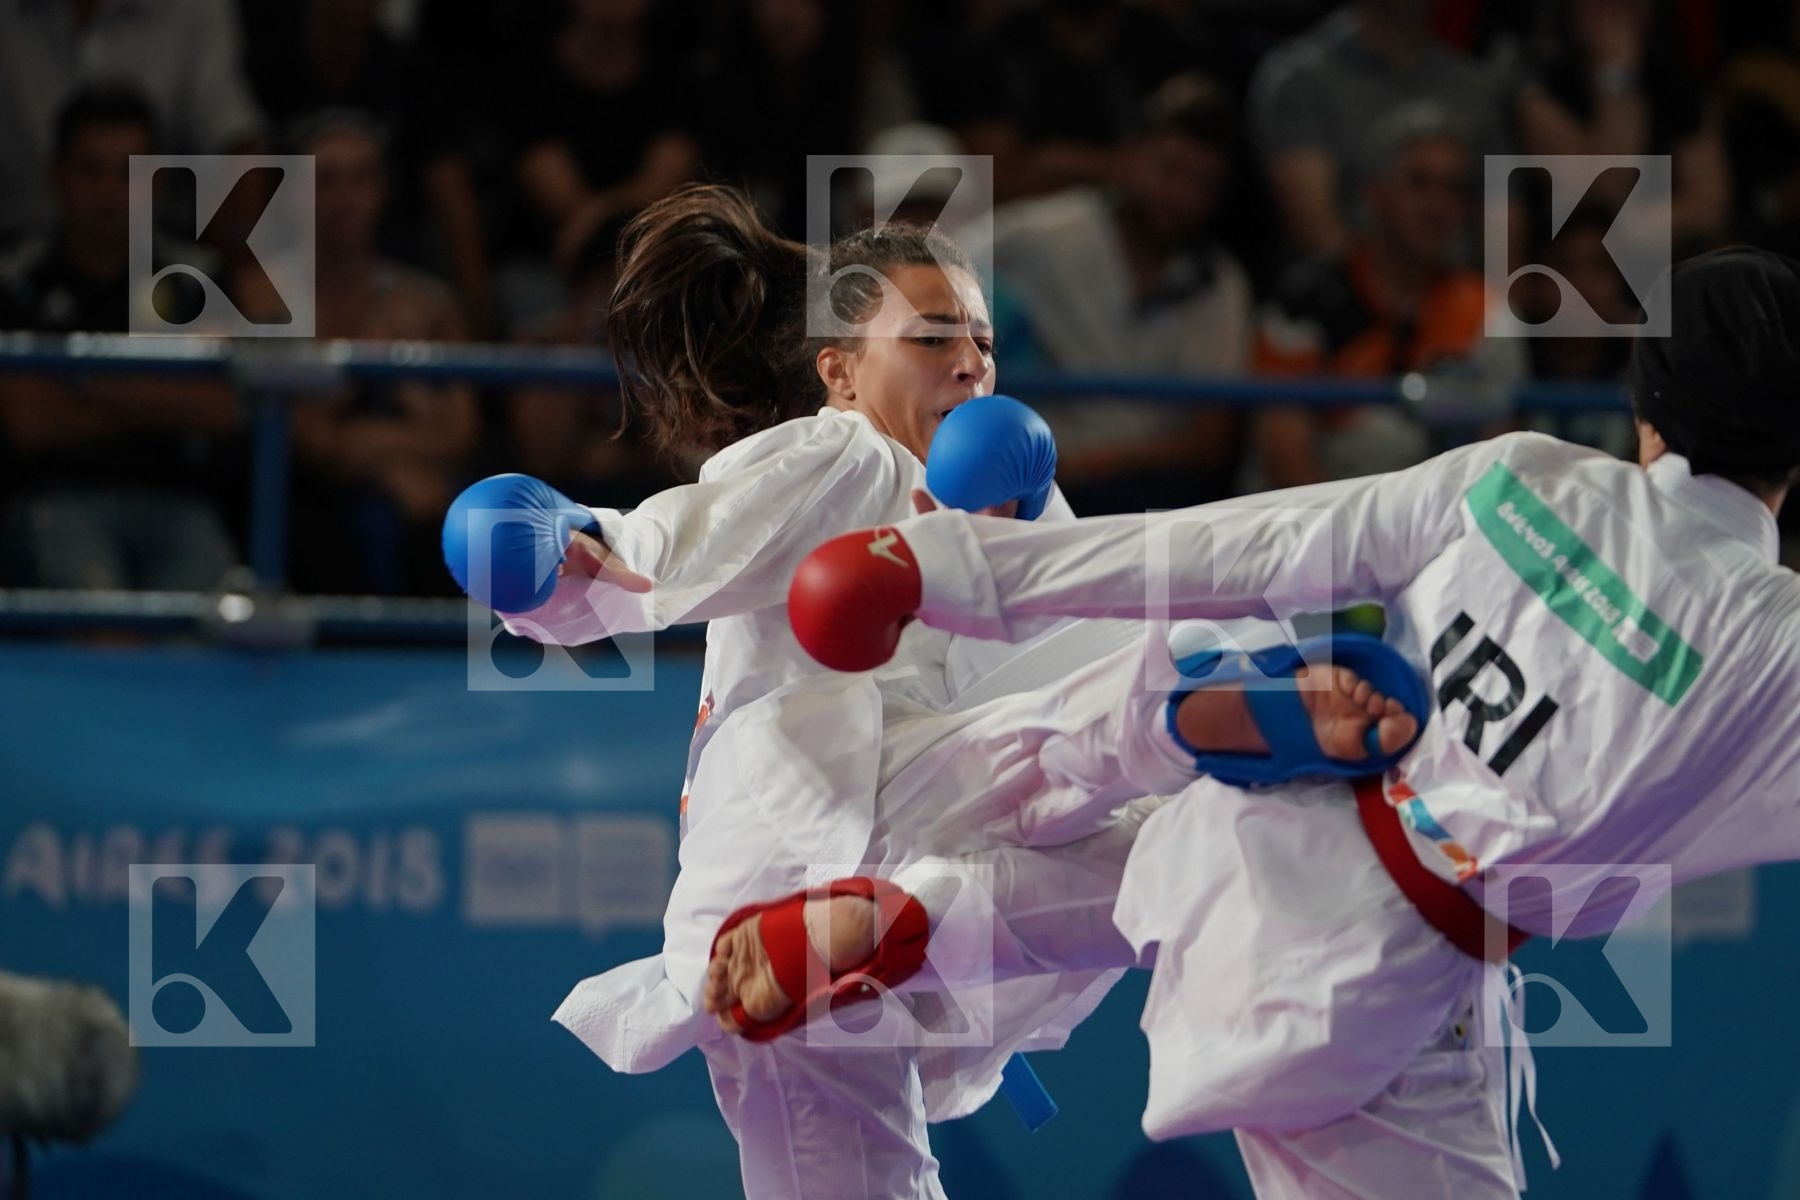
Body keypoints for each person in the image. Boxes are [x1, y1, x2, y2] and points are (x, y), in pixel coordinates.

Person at [445, 183, 1419, 1199]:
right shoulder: (840, 451)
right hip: (806, 836)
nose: (969, 361)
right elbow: (672, 545)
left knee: (1172, 840)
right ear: (841, 371)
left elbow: (1108, 610)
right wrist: (566, 552)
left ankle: (1207, 721)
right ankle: (1187, 717)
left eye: (984, 344)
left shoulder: (1014, 493)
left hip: (861, 932)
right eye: (933, 338)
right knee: (1113, 782)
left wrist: (1233, 644)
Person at [765, 245, 1800, 1197]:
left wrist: (945, 567)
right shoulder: (1772, 640)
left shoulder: (1521, 475)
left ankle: (940, 910)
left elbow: (1243, 548)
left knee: (1176, 792)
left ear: (1645, 398)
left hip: (1252, 843)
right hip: (1370, 994)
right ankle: (950, 904)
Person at [0, 85, 242, 591]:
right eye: (92, 170)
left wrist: (77, 377)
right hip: (56, 501)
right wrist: (157, 389)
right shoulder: (16, 282)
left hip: (181, 504)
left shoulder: (197, 278)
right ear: (57, 175)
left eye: (130, 171)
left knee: (209, 620)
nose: (111, 191)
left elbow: (219, 407)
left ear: (158, 182)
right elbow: (27, 420)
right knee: (99, 614)